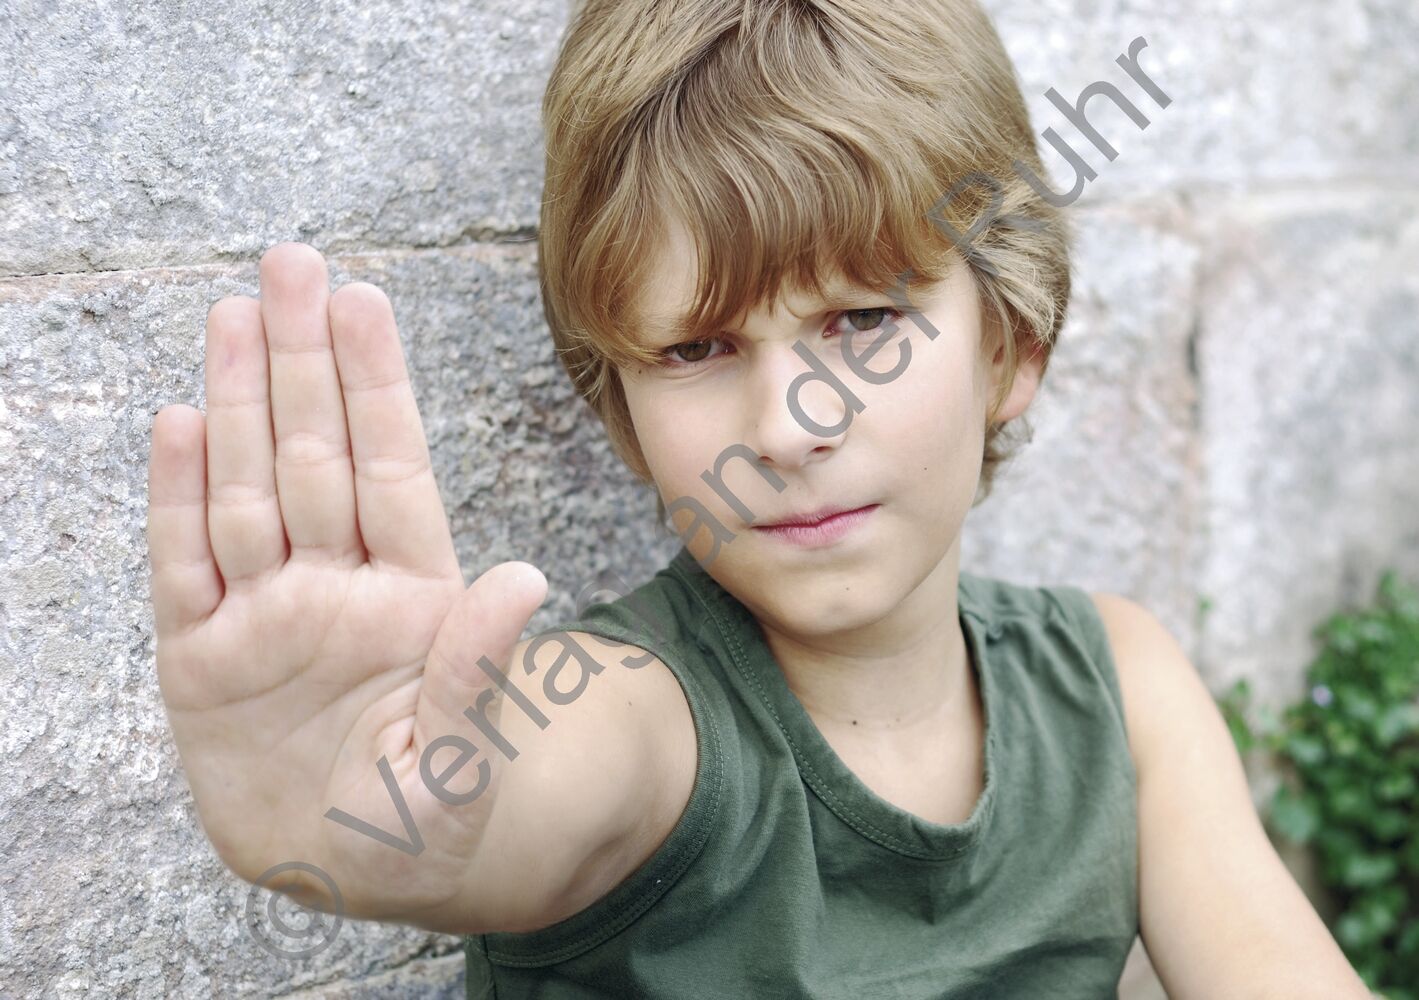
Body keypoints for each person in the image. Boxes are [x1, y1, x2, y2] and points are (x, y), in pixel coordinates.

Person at [145, 1, 1373, 997]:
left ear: (1009, 346)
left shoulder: (1119, 688)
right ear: (622, 412)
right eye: (696, 349)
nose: (790, 425)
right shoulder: (643, 717)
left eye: (864, 319)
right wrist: (386, 820)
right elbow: (543, 789)